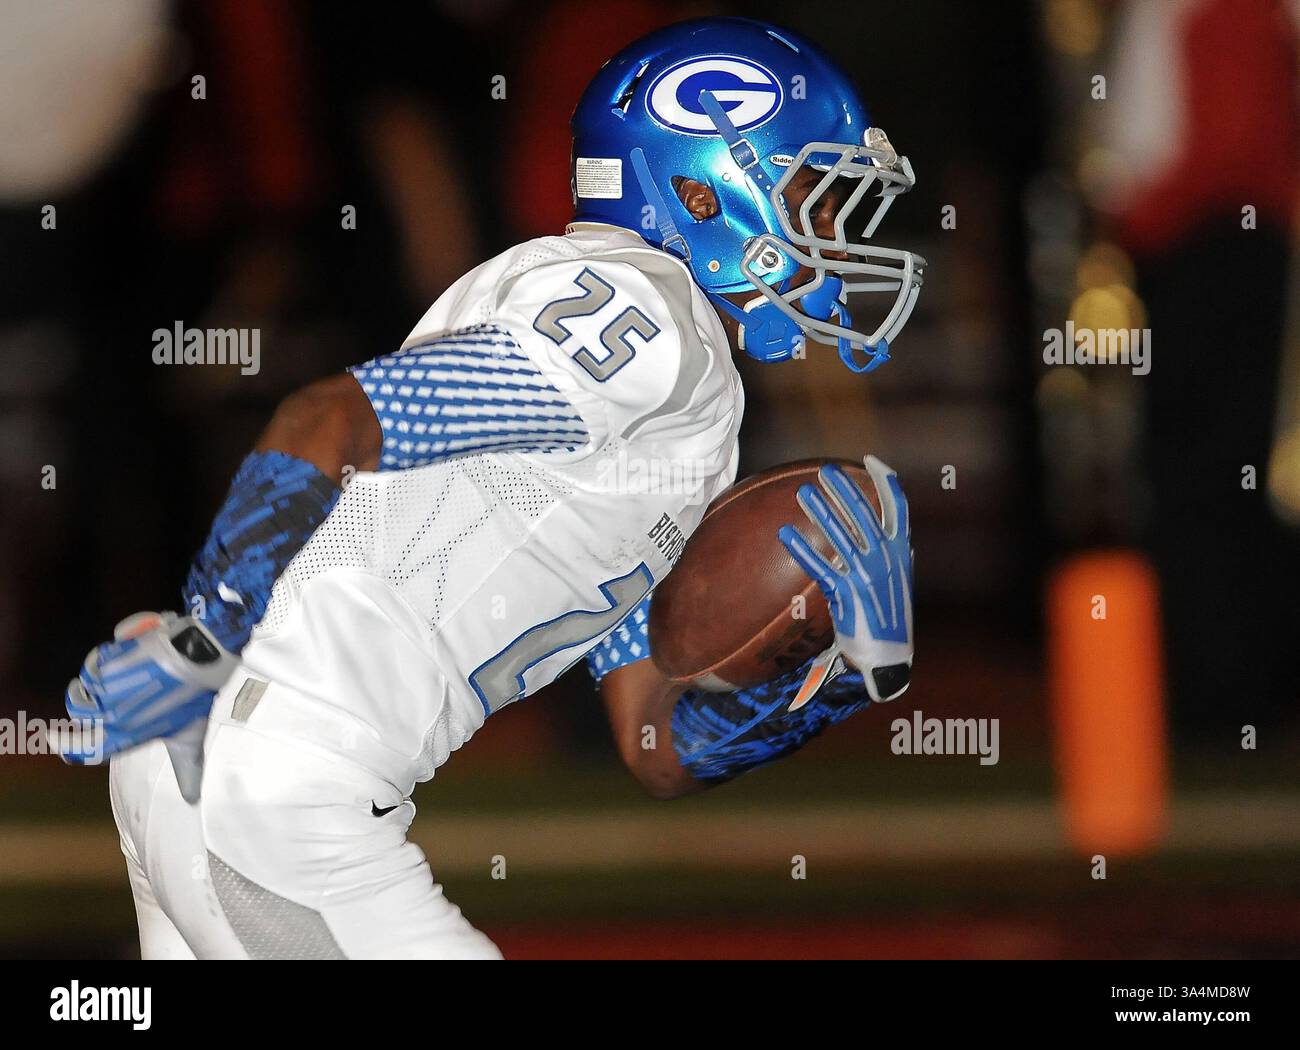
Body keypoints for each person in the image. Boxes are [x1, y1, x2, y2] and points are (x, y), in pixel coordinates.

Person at [61, 17, 924, 959]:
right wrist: (207, 631)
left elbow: (654, 744)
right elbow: (326, 420)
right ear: (703, 191)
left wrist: (844, 673)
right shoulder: (650, 325)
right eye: (813, 195)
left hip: (220, 764)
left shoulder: (661, 395)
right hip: (281, 782)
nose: (835, 237)